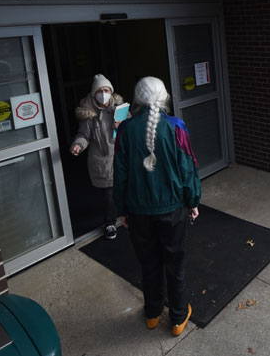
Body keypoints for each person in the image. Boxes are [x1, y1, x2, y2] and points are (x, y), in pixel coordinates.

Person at [114, 76, 201, 336]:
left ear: (137, 100)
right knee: (175, 265)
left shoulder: (126, 130)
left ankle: (152, 314)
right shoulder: (176, 127)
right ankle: (177, 318)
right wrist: (193, 201)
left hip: (138, 212)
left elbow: (119, 174)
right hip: (173, 210)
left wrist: (122, 210)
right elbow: (188, 168)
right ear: (164, 98)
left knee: (149, 264)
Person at [70, 74, 123, 240]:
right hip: (102, 160)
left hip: (121, 157)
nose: (103, 93)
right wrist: (78, 144)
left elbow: (131, 131)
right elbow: (83, 135)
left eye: (106, 90)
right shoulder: (89, 114)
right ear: (94, 94)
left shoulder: (121, 109)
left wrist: (123, 125)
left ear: (111, 91)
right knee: (108, 195)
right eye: (100, 91)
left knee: (125, 189)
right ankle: (110, 223)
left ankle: (130, 215)